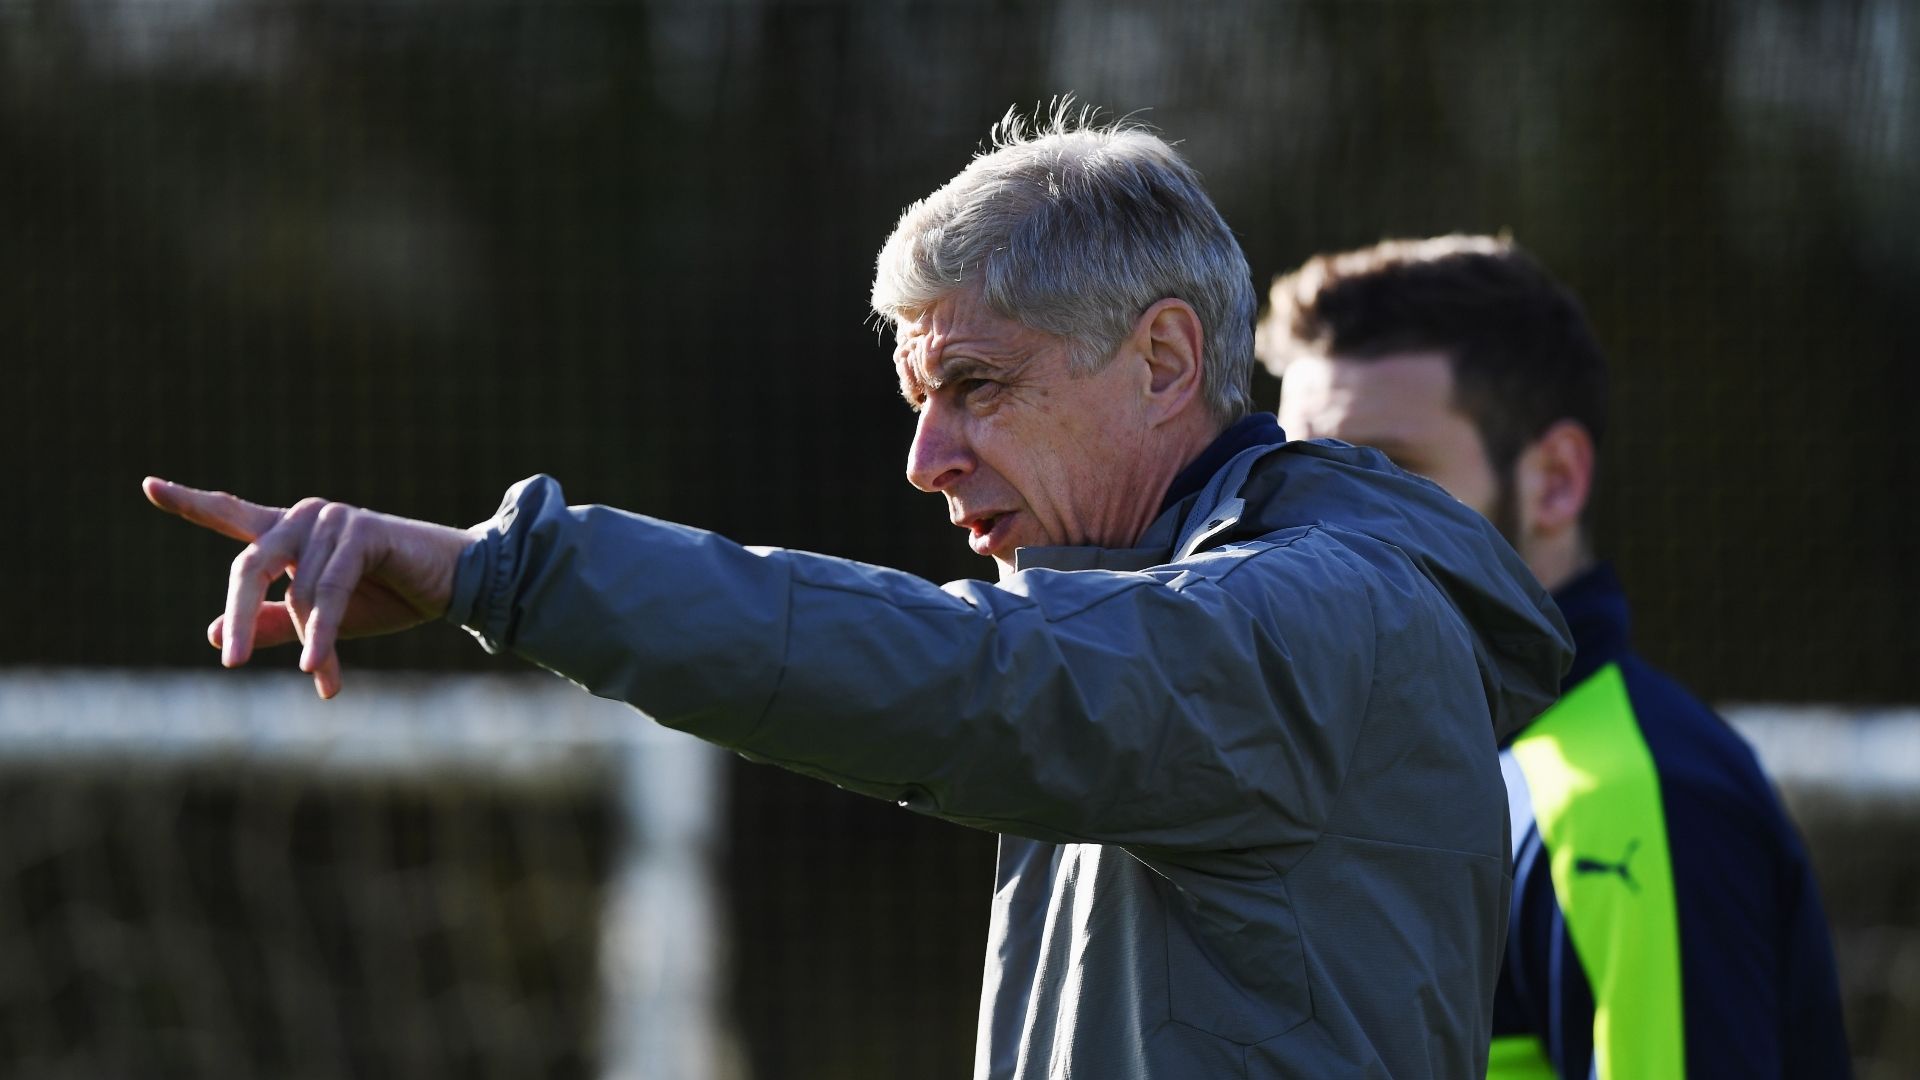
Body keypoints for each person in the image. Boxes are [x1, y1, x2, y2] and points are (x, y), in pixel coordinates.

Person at [145, 110, 1571, 1078]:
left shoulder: (1324, 619)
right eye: (916, 395)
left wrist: (503, 571)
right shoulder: (1162, 597)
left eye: (976, 385)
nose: (924, 456)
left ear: (1162, 359)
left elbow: (971, 678)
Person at [1262, 234, 1851, 1079]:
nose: (1318, 529)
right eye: (1300, 478)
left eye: (1387, 472)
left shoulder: (1632, 800)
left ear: (1555, 480)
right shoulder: (1407, 767)